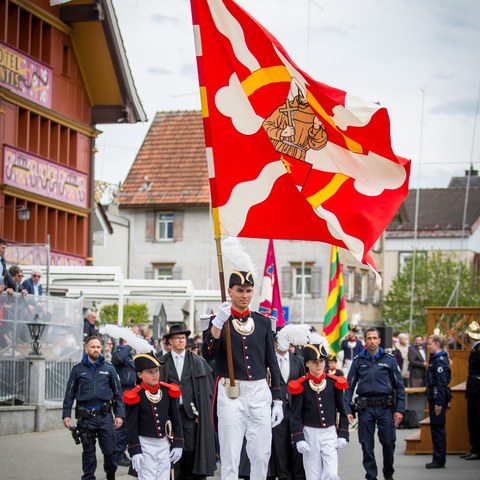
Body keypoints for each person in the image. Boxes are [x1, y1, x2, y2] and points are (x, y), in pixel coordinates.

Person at [202, 270, 283, 480]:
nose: (244, 295)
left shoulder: (263, 322)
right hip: (230, 390)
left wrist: (277, 398)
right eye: (239, 290)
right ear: (229, 291)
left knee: (261, 453)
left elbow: (271, 362)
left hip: (258, 391)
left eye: (248, 291)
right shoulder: (218, 321)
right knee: (230, 454)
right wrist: (217, 324)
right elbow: (208, 354)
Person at [345, 327, 405, 480]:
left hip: (385, 408)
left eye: (374, 338)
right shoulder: (359, 361)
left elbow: (399, 386)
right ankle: (371, 476)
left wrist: (400, 409)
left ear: (379, 340)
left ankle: (388, 473)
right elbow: (349, 386)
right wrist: (347, 409)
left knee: (389, 443)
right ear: (365, 341)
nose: (372, 341)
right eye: (369, 338)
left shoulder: (389, 359)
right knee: (366, 445)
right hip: (366, 409)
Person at [62, 336, 125, 480]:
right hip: (86, 418)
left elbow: (118, 394)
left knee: (109, 452)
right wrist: (66, 414)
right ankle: (88, 477)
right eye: (93, 347)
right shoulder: (77, 370)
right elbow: (69, 394)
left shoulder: (109, 369)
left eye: (98, 347)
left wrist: (119, 415)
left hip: (105, 417)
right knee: (88, 452)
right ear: (86, 349)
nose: (96, 350)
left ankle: (111, 474)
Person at [160, 324, 217, 479]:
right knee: (172, 451)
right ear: (169, 342)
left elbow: (206, 392)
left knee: (190, 448)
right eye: (177, 338)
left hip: (189, 415)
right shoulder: (162, 362)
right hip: (170, 415)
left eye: (183, 338)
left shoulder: (197, 361)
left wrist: (200, 411)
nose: (180, 341)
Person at [289, 341, 349, 480]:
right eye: (314, 362)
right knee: (313, 476)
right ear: (307, 364)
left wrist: (343, 433)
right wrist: (298, 438)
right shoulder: (300, 385)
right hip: (310, 434)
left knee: (331, 474)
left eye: (321, 361)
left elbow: (342, 411)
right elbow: (295, 415)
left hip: (329, 433)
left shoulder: (334, 383)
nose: (319, 365)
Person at [124, 351, 184, 480]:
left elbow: (176, 419)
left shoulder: (167, 391)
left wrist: (179, 443)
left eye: (156, 371)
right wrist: (135, 450)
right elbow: (131, 426)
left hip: (164, 443)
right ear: (139, 374)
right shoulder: (136, 395)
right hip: (145, 444)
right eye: (150, 372)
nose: (155, 375)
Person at [267, 333, 306, 480]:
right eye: (278, 341)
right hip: (276, 411)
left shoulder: (298, 360)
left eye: (285, 340)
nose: (281, 344)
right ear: (274, 343)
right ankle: (283, 476)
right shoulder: (268, 362)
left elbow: (304, 383)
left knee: (297, 447)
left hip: (295, 410)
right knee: (279, 448)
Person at [425, 334, 451, 469]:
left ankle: (439, 459)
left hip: (437, 398)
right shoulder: (435, 359)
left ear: (436, 344)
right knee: (435, 428)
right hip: (434, 397)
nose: (428, 346)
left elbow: (441, 383)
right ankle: (437, 458)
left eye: (430, 344)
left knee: (438, 429)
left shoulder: (440, 360)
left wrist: (439, 403)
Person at [112, 338, 137, 467]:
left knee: (128, 424)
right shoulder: (119, 351)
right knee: (121, 424)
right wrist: (127, 346)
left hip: (132, 392)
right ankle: (117, 454)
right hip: (121, 392)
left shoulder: (132, 355)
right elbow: (118, 359)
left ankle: (122, 451)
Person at [463, 321, 480, 461]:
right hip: (474, 387)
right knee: (472, 419)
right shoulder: (476, 349)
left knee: (476, 419)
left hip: (477, 388)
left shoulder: (478, 350)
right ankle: (474, 447)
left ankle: (477, 449)